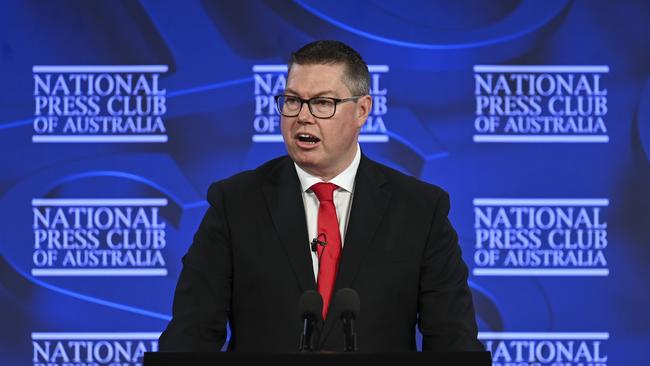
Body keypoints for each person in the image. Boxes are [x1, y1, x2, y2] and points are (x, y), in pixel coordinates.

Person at [159, 40, 483, 352]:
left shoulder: (420, 211)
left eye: (323, 103)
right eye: (292, 100)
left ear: (362, 110)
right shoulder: (234, 204)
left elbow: (454, 342)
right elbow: (190, 336)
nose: (302, 116)